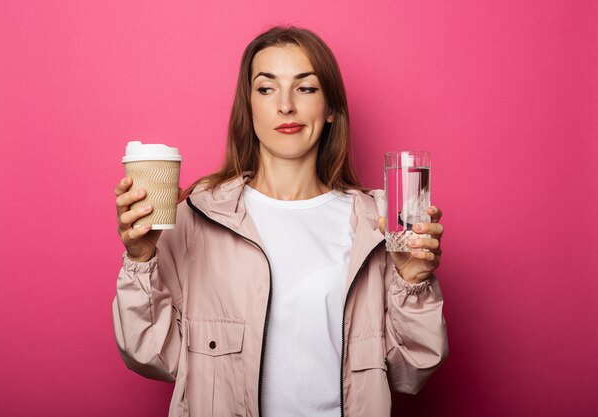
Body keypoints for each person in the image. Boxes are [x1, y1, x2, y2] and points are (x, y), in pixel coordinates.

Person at [112, 26, 448, 417]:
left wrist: (414, 281)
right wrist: (140, 259)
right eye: (266, 88)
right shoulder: (196, 217)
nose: (285, 106)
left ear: (331, 110)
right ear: (248, 107)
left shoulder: (377, 225)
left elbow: (412, 370)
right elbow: (150, 354)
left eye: (306, 88)